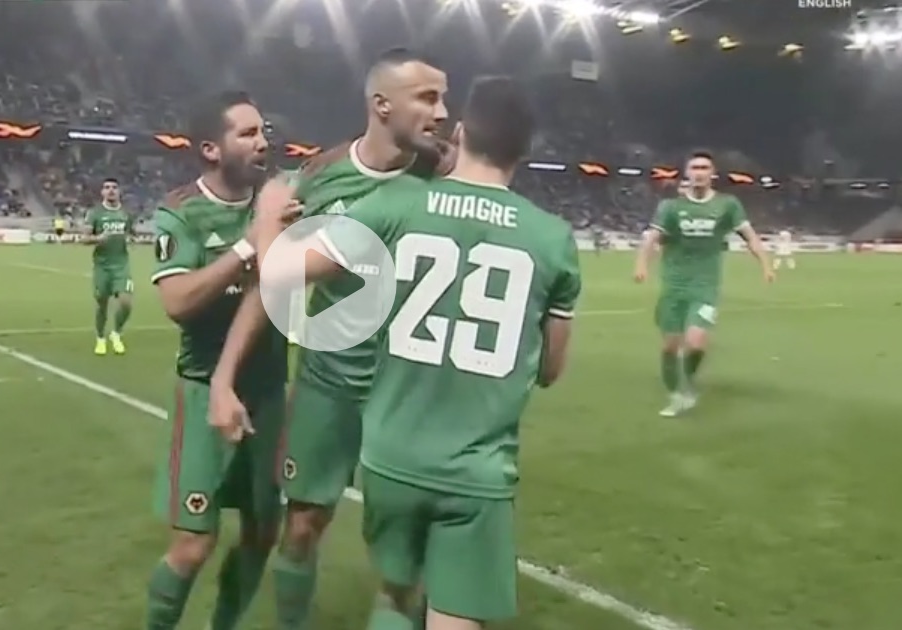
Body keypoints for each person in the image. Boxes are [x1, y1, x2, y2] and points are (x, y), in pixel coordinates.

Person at [217, 75, 580, 630]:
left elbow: (280, 273)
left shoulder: (398, 205)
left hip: (394, 453)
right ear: (525, 150)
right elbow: (551, 370)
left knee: (395, 589)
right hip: (474, 464)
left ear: (462, 133)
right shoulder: (553, 238)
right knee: (422, 602)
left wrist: (267, 220)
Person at [207, 47, 451, 630]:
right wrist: (223, 378)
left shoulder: (449, 176)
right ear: (382, 104)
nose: (442, 113)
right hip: (330, 385)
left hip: (413, 392)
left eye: (443, 99)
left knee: (406, 553)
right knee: (301, 528)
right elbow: (272, 284)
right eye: (428, 98)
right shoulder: (318, 179)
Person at [146, 90, 294, 630]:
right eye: (247, 133)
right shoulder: (180, 212)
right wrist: (247, 248)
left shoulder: (279, 200)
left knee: (261, 533)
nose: (262, 142)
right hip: (203, 387)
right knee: (192, 544)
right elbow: (178, 301)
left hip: (270, 392)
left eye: (263, 131)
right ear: (211, 149)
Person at [633, 151, 775, 417]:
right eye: (695, 168)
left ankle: (685, 386)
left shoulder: (727, 205)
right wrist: (642, 264)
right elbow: (651, 238)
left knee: (696, 342)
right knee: (670, 346)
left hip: (705, 286)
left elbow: (750, 236)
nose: (699, 172)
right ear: (687, 174)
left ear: (712, 174)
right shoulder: (670, 207)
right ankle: (676, 394)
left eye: (704, 168)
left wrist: (766, 265)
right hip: (674, 286)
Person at [83, 178, 133, 355]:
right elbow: (84, 238)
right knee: (102, 304)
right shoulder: (95, 213)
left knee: (126, 303)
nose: (111, 190)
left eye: (114, 187)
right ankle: (100, 338)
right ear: (102, 192)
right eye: (107, 187)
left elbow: (130, 232)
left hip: (121, 265)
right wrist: (98, 238)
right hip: (102, 266)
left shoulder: (126, 214)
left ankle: (116, 333)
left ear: (119, 191)